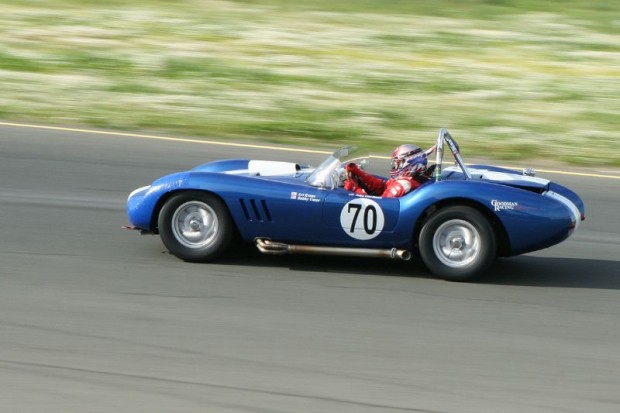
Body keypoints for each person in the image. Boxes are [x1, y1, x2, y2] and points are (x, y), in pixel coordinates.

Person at [344, 144, 436, 198]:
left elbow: (381, 203)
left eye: (397, 163)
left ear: (409, 164)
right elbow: (382, 186)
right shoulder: (410, 179)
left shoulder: (403, 184)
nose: (395, 166)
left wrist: (354, 189)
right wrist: (359, 173)